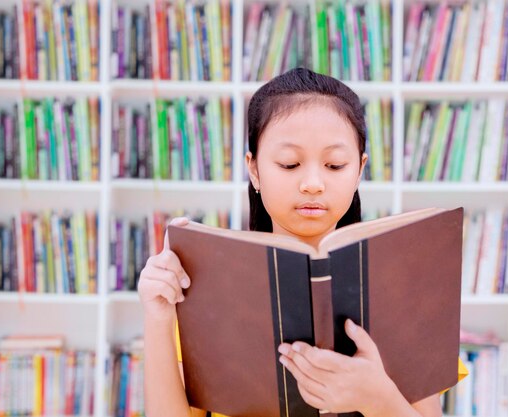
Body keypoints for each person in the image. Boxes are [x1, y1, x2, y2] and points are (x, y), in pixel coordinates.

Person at [138, 68, 468, 417]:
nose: (313, 183)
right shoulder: (208, 286)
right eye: (290, 163)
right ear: (254, 171)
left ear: (358, 171)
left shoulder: (400, 288)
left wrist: (378, 398)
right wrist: (158, 318)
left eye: (335, 165)